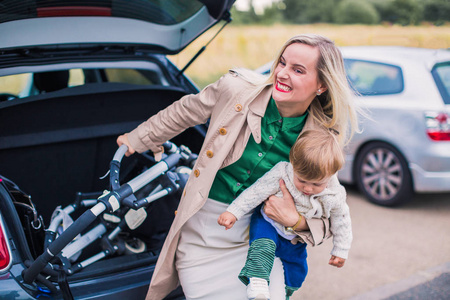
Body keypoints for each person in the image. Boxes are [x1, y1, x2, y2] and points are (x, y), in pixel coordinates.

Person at [116, 34, 360, 300]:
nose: (282, 73)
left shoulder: (323, 136)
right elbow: (187, 110)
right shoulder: (237, 90)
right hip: (202, 230)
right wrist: (138, 138)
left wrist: (296, 221)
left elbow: (330, 209)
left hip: (260, 241)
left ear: (322, 85)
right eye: (282, 63)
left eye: (298, 70)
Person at [218, 129, 352, 300]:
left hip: (295, 237)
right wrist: (233, 212)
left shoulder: (334, 194)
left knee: (298, 270)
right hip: (269, 223)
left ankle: (286, 292)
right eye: (302, 180)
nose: (308, 188)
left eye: (316, 184)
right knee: (262, 247)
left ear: (331, 175)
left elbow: (342, 221)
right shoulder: (283, 172)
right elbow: (257, 191)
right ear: (293, 164)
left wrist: (341, 250)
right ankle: (257, 284)